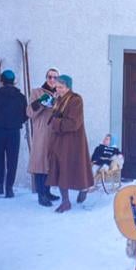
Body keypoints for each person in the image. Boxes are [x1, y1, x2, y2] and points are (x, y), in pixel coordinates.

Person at [45, 74, 94, 212]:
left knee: (73, 168)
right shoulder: (59, 99)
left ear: (68, 87)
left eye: (61, 87)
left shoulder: (75, 100)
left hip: (72, 141)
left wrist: (56, 122)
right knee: (61, 169)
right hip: (59, 140)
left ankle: (83, 188)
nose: (58, 90)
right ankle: (65, 201)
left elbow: (74, 123)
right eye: (57, 87)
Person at [0, 69, 27, 197]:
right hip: (14, 131)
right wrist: (16, 121)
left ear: (1, 81)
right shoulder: (21, 97)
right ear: (14, 82)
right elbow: (26, 115)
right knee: (12, 160)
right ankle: (9, 189)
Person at [26, 67, 60, 206]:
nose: (52, 80)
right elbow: (29, 112)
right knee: (40, 164)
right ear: (46, 78)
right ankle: (41, 195)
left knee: (50, 164)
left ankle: (47, 192)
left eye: (55, 77)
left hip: (55, 133)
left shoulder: (60, 93)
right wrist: (41, 102)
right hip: (41, 133)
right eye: (49, 77)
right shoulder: (37, 92)